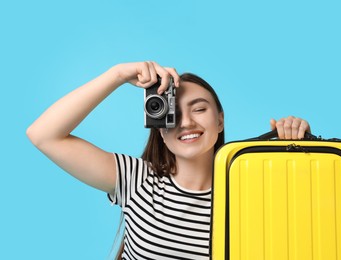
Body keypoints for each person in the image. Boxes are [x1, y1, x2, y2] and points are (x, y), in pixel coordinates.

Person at [26, 61, 311, 259]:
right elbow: (43, 135)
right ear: (159, 130)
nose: (186, 122)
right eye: (171, 114)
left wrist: (300, 150)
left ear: (220, 120)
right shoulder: (137, 179)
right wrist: (117, 75)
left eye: (199, 109)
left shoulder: (251, 193)